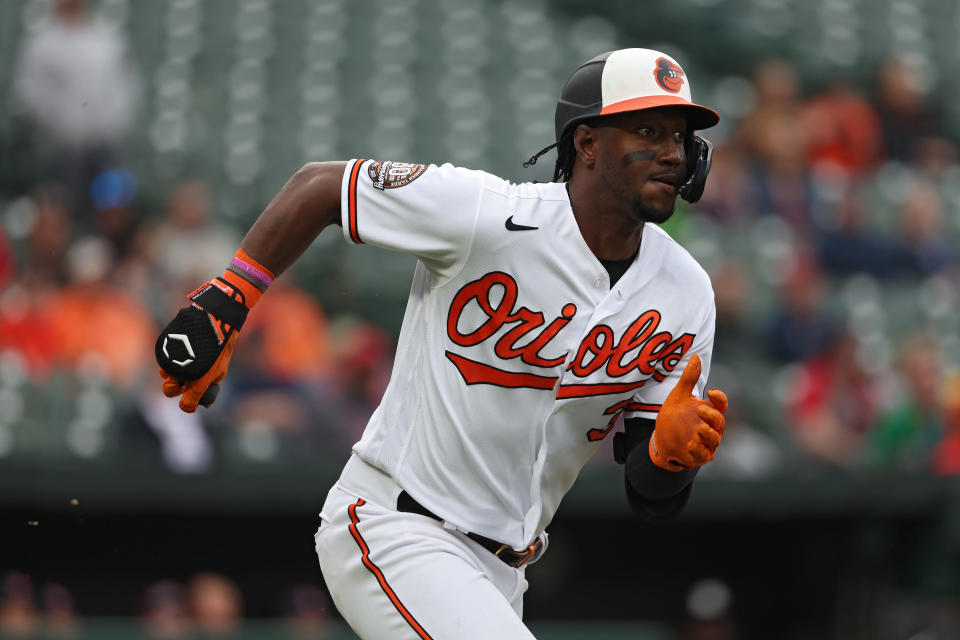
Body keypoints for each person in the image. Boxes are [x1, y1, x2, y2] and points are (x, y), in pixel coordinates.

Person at [155, 48, 729, 639]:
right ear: (586, 143)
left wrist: (668, 459)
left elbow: (650, 495)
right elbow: (324, 187)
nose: (672, 152)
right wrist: (227, 299)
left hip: (504, 576)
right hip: (397, 527)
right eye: (648, 130)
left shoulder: (685, 293)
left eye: (682, 138)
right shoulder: (489, 215)